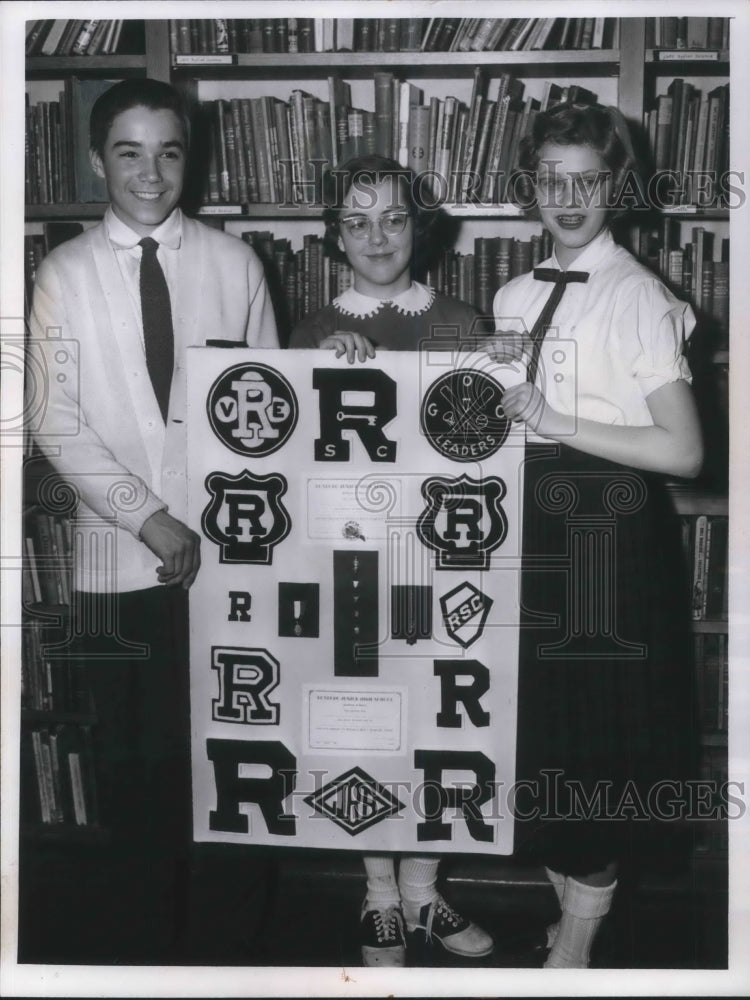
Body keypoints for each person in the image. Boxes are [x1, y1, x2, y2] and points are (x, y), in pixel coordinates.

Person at [27, 78, 278, 961]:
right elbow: (53, 418)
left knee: (229, 772)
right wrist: (148, 517)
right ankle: (143, 960)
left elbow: (270, 410)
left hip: (228, 569)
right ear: (98, 160)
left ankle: (230, 958)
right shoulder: (61, 274)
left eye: (168, 151)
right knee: (135, 779)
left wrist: (221, 526)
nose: (150, 171)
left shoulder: (234, 263)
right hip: (114, 569)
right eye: (128, 152)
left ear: (190, 159)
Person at [483, 102, 703, 968]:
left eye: (588, 179)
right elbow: (504, 427)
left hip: (607, 539)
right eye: (551, 179)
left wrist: (558, 418)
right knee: (540, 746)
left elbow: (684, 452)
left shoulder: (639, 294)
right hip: (529, 535)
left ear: (616, 184)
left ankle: (573, 949)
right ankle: (565, 912)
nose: (568, 197)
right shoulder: (513, 290)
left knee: (601, 753)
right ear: (529, 184)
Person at [290, 154, 493, 968]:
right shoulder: (309, 329)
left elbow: (481, 449)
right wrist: (317, 374)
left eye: (394, 218)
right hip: (352, 564)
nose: (376, 236)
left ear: (422, 226)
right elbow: (289, 463)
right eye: (356, 220)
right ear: (334, 235)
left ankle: (424, 889)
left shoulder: (462, 320)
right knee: (366, 726)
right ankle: (378, 891)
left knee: (436, 726)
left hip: (442, 561)